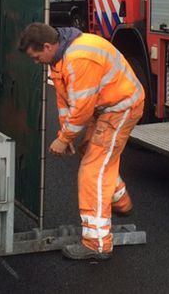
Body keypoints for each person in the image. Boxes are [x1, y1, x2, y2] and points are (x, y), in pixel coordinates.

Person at [18, 22, 143, 262]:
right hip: (106, 107)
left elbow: (83, 109)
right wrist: (69, 136)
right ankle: (120, 200)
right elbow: (67, 100)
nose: (36, 62)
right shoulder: (60, 56)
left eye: (36, 56)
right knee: (92, 153)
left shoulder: (78, 58)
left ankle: (96, 244)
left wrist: (64, 138)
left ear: (46, 46)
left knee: (92, 172)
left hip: (121, 108)